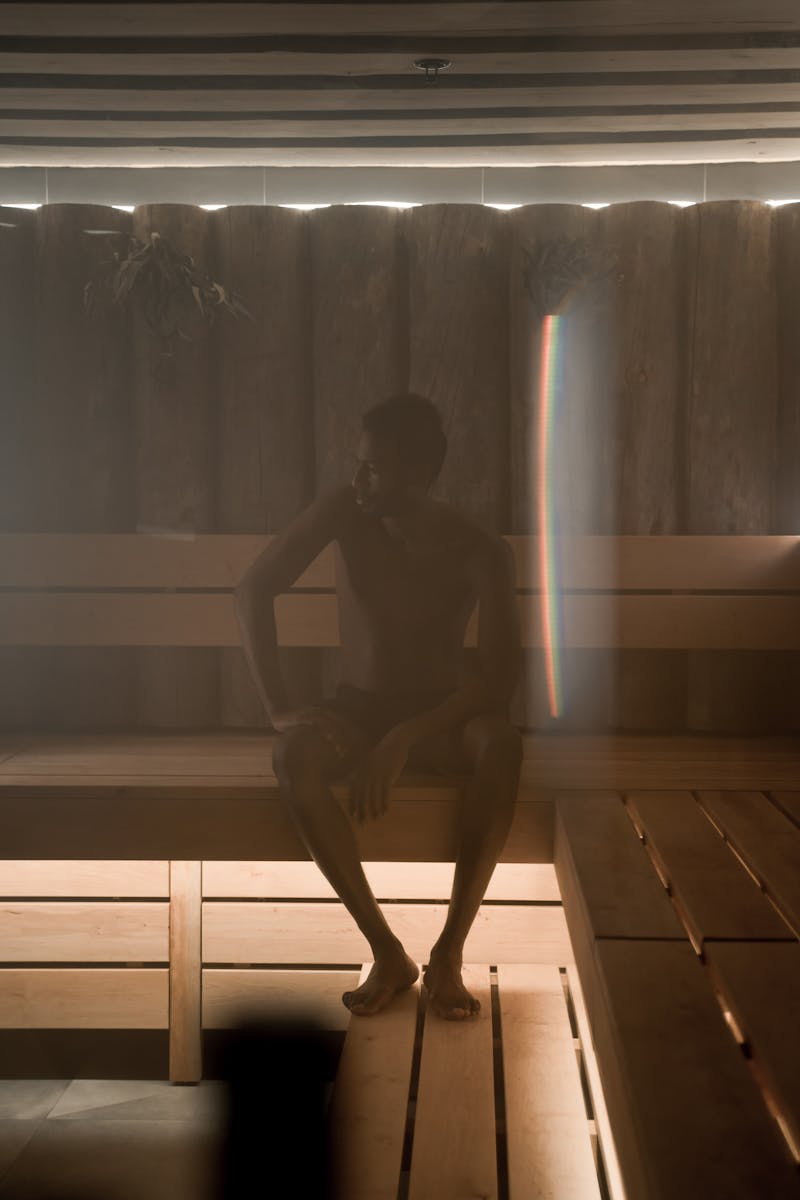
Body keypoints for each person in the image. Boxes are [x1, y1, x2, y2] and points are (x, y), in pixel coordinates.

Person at [234, 394, 522, 1020]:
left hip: (440, 713)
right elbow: (255, 587)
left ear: (419, 475)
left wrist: (405, 740)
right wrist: (277, 706)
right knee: (293, 757)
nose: (359, 480)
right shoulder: (345, 509)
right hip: (357, 710)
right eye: (358, 465)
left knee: (501, 743)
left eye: (375, 469)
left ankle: (449, 953)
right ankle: (387, 951)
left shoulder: (479, 549)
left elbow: (500, 679)